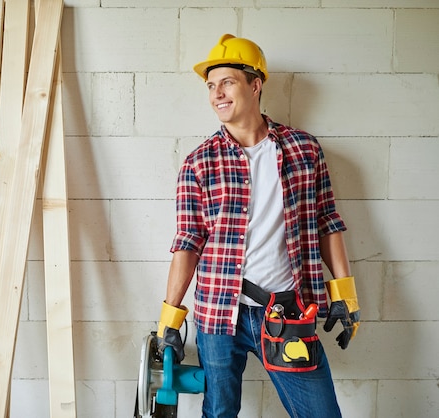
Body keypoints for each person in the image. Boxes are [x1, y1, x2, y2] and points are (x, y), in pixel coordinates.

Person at [155, 34, 361, 418]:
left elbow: (327, 221)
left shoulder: (304, 149)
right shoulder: (199, 163)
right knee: (218, 413)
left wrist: (345, 296)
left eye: (227, 82)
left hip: (287, 312)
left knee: (321, 413)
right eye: (211, 86)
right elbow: (188, 242)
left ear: (255, 84)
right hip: (219, 315)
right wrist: (170, 319)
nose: (217, 94)